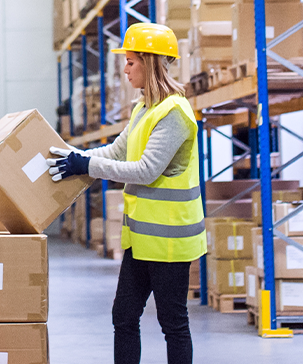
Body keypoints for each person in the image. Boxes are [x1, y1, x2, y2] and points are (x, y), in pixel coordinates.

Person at [47, 23, 205, 364]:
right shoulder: (144, 108)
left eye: (131, 61)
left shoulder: (174, 113)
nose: (125, 68)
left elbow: (146, 170)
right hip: (143, 237)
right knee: (123, 316)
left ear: (150, 62)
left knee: (172, 323)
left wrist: (85, 167)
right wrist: (74, 157)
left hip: (170, 241)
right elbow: (119, 152)